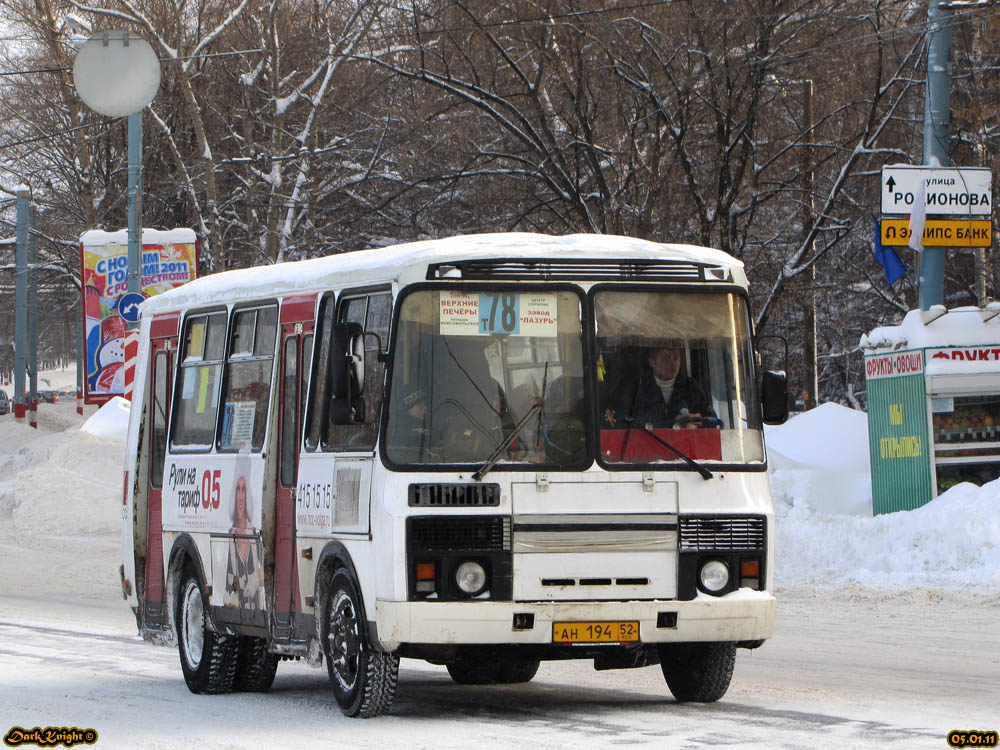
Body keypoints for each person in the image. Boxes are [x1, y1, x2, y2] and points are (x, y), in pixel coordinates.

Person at [604, 345, 715, 429]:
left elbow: (713, 422)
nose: (673, 363)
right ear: (652, 362)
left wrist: (699, 419)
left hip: (687, 453)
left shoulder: (691, 387)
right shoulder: (636, 387)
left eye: (676, 358)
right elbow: (620, 422)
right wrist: (672, 423)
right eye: (667, 357)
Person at [227, 470, 265, 610]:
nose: (241, 497)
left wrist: (255, 581)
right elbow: (225, 581)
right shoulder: (230, 537)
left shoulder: (255, 534)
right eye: (238, 490)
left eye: (244, 490)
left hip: (257, 607)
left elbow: (266, 568)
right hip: (236, 606)